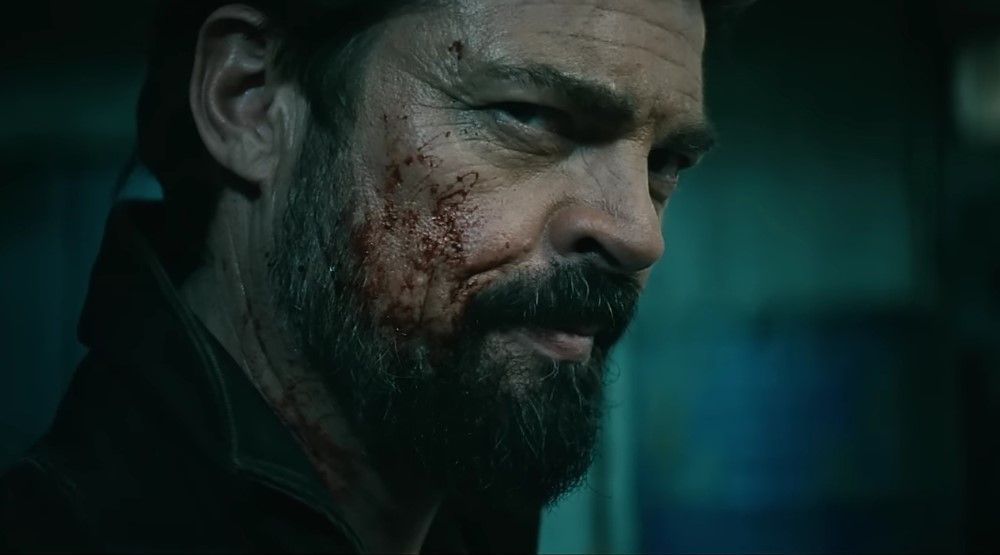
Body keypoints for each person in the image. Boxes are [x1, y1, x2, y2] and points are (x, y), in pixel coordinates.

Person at [0, 0, 731, 551]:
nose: (640, 234)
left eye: (667, 161)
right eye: (529, 115)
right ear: (249, 101)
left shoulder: (468, 498)